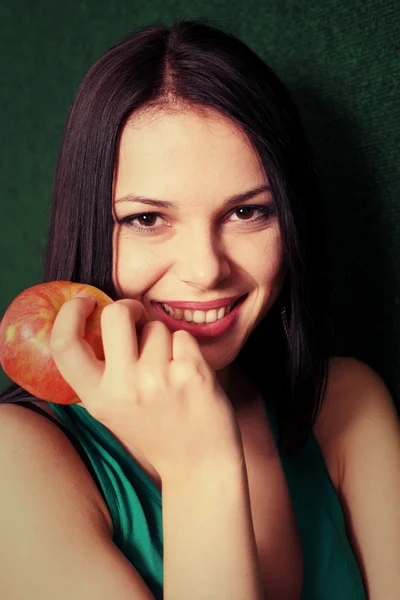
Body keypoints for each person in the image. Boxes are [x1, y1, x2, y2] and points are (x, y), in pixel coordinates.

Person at [1, 17, 399, 600]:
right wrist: (200, 467)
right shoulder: (19, 461)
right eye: (146, 219)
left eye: (247, 213)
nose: (206, 269)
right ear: (91, 227)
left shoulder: (345, 405)